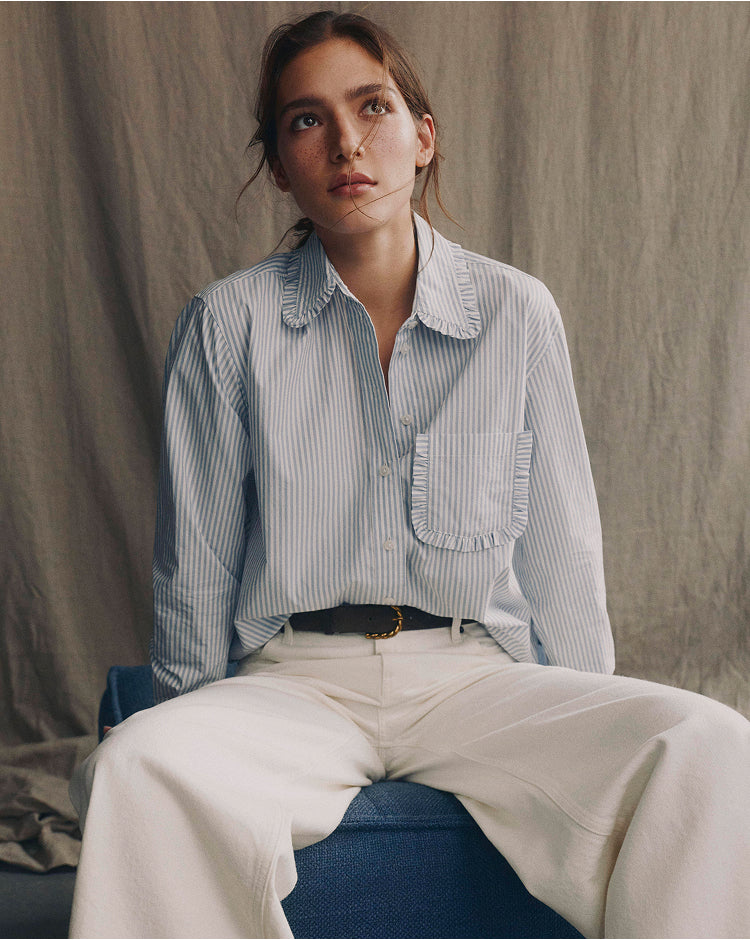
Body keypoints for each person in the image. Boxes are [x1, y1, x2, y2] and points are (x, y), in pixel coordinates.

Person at [69, 10, 750, 939]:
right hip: (292, 681)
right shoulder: (227, 327)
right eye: (306, 120)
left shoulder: (516, 312)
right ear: (278, 163)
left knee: (709, 744)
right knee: (135, 767)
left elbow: (562, 543)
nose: (348, 141)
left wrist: (589, 712)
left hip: (473, 676)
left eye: (373, 106)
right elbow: (195, 565)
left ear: (422, 137)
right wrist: (196, 731)